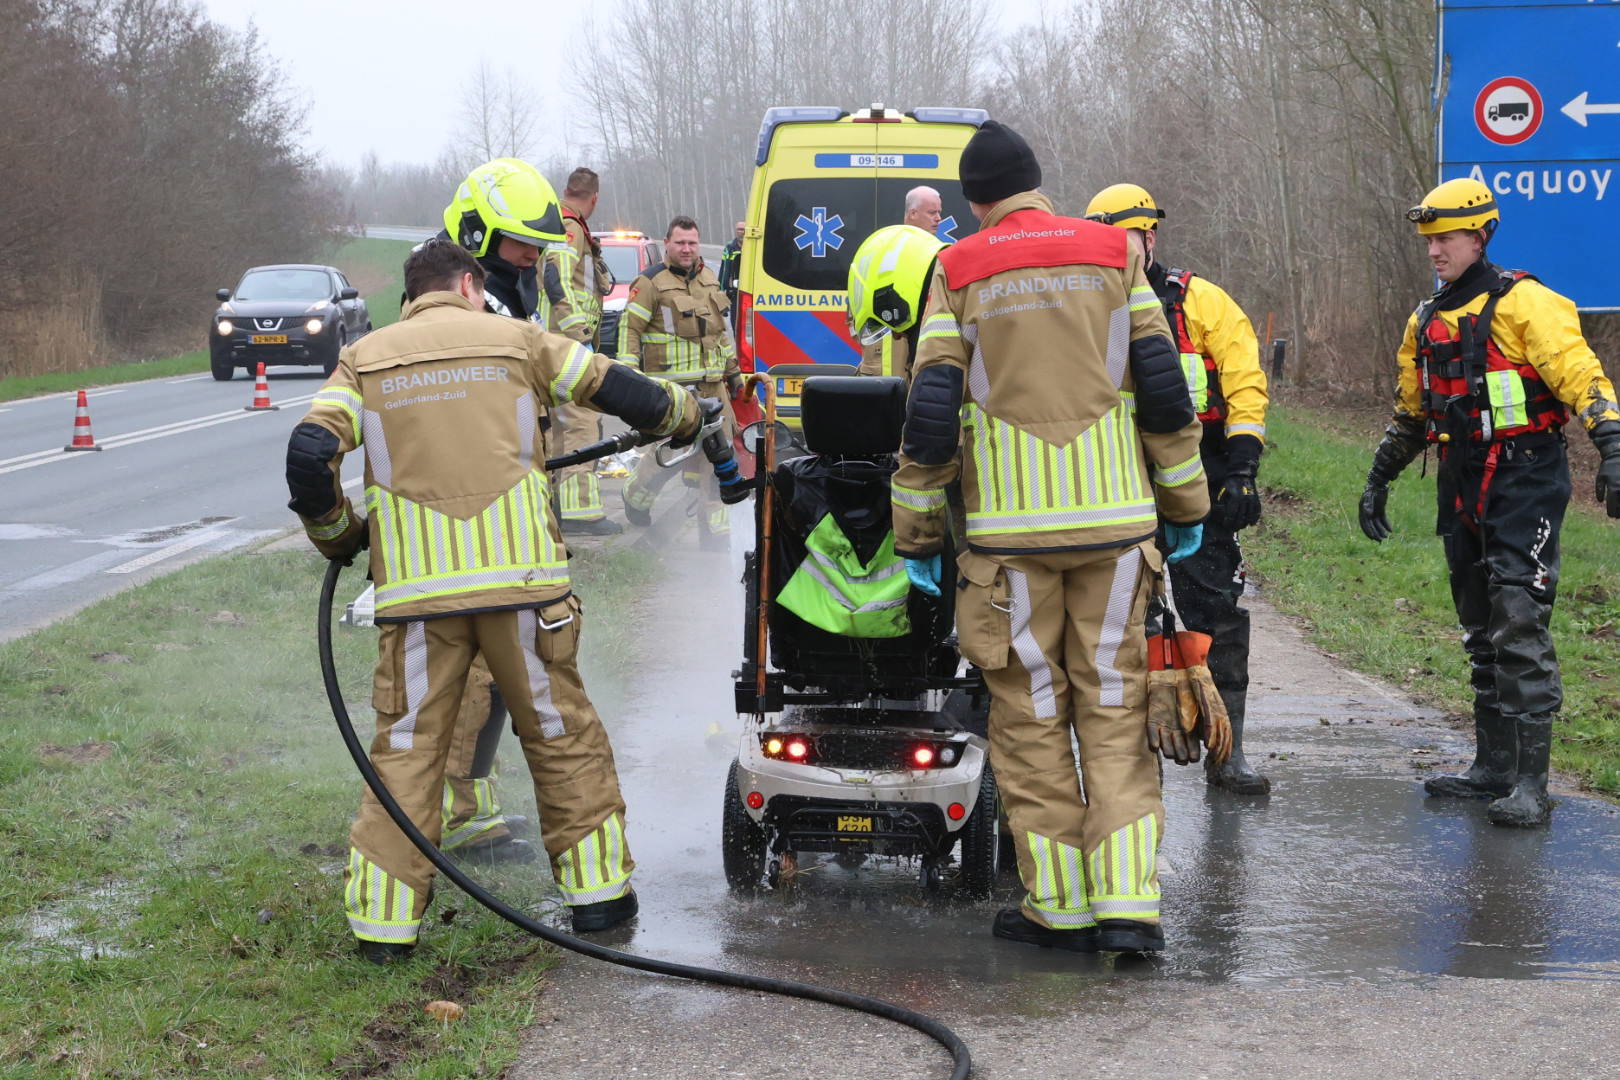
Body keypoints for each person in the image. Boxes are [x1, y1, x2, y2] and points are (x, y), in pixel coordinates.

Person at [287, 239, 708, 962]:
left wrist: (338, 535)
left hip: (418, 603)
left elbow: (307, 455)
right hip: (523, 593)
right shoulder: (517, 337)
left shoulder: (366, 358)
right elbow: (620, 390)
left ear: (413, 297)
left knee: (408, 752)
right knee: (560, 738)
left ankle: (384, 933)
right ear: (470, 284)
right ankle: (599, 901)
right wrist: (686, 415)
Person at [891, 121, 1209, 955]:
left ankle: (1059, 907)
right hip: (1116, 534)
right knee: (1112, 709)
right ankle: (1130, 906)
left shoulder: (956, 268)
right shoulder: (1114, 254)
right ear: (1040, 183)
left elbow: (930, 411)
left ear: (973, 201)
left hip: (1008, 547)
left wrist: (919, 534)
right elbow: (1163, 385)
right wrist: (1185, 507)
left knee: (1032, 720)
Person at [1358, 176, 1620, 829]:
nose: (1434, 252)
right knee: (1481, 627)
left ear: (1481, 235)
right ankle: (1493, 768)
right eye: (1428, 241)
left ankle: (1533, 783)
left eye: (1445, 239)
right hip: (1462, 478)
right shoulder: (1425, 319)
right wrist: (1379, 477)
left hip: (1526, 478)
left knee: (1518, 622)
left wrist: (1613, 447)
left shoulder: (1527, 304)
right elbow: (1411, 413)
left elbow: (1582, 378)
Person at [1084, 183, 1272, 795]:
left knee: (1217, 615)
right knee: (1117, 627)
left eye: (1130, 236)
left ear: (1150, 236)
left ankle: (1229, 752)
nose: (1122, 249)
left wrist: (1243, 468)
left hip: (1204, 483)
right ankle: (1126, 763)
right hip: (1116, 488)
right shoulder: (1086, 308)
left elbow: (1245, 385)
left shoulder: (1205, 303)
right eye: (1109, 238)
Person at [428, 158, 570, 862]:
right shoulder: (456, 315)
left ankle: (470, 803)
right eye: (521, 247)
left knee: (500, 668)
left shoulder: (504, 302)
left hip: (506, 512)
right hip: (465, 520)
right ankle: (460, 815)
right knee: (474, 675)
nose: (533, 260)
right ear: (478, 238)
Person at [618, 215, 741, 548]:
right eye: (680, 243)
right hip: (672, 391)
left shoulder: (710, 280)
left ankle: (715, 541)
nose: (687, 249)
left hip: (713, 389)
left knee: (717, 464)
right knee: (667, 459)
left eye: (692, 243)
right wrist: (628, 380)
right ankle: (634, 496)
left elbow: (720, 334)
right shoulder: (649, 282)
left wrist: (734, 374)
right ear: (667, 243)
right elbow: (630, 330)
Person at [545, 167, 621, 536]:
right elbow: (555, 281)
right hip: (569, 344)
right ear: (594, 198)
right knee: (581, 424)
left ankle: (557, 508)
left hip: (560, 343)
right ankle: (581, 513)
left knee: (559, 429)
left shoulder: (565, 224)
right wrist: (580, 335)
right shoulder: (570, 227)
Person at [847, 224, 945, 386]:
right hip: (880, 377)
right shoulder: (905, 261)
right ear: (913, 213)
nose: (938, 218)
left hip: (902, 378)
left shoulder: (926, 266)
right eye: (931, 212)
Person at [717, 220, 745, 317]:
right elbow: (724, 270)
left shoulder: (754, 247)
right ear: (735, 231)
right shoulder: (729, 248)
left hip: (750, 290)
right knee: (736, 323)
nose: (742, 232)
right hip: (734, 292)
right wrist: (720, 290)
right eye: (739, 229)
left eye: (744, 229)